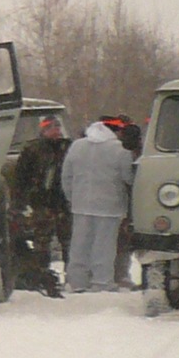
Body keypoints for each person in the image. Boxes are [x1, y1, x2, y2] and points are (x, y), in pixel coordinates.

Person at [61, 118, 135, 291]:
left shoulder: (77, 146)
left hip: (81, 204)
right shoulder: (120, 150)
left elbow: (67, 175)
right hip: (110, 205)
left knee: (79, 244)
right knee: (105, 245)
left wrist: (72, 197)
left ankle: (77, 281)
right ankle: (102, 281)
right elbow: (128, 178)